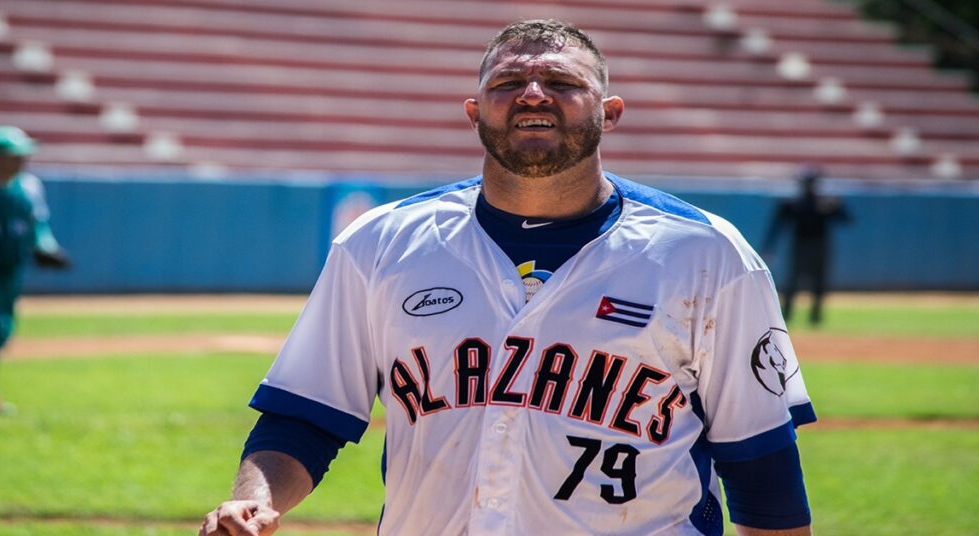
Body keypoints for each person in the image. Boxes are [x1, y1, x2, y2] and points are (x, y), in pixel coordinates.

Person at [200, 20, 815, 536]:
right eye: (508, 83)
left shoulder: (706, 253)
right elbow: (306, 417)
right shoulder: (381, 243)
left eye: (562, 82)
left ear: (610, 112)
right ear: (475, 112)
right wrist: (257, 500)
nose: (532, 94)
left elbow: (761, 464)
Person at [0, 126, 70, 411]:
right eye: (14, 155)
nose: (22, 161)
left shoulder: (28, 186)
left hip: (10, 268)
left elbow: (38, 225)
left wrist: (46, 246)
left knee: (1, 334)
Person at [764, 165, 850, 326]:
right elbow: (777, 226)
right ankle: (787, 314)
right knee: (794, 281)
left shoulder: (825, 203)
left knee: (819, 281)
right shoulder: (793, 204)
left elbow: (846, 219)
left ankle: (815, 316)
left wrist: (836, 206)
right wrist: (769, 247)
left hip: (820, 245)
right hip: (801, 245)